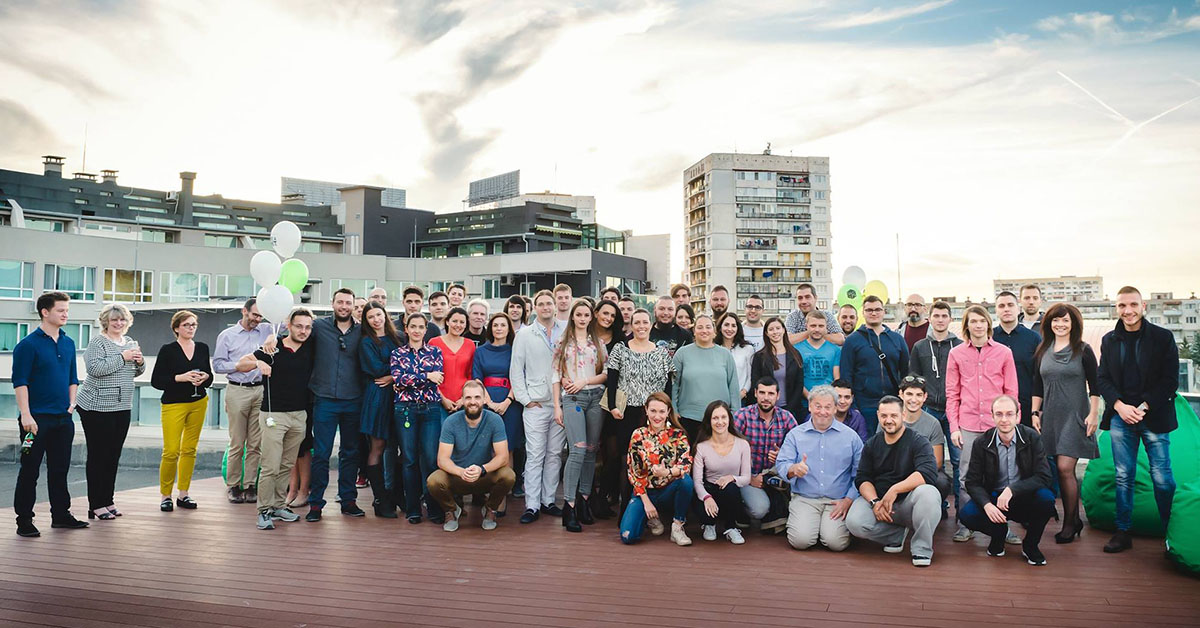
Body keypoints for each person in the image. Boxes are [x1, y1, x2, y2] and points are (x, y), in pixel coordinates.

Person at [1097, 286, 1179, 554]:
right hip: (1122, 416)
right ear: (1116, 308)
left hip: (1153, 416)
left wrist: (1142, 407)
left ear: (1143, 306)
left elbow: (1170, 381)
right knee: (1123, 476)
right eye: (1122, 306)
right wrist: (1120, 406)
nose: (1128, 311)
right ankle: (1123, 531)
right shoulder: (1109, 340)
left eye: (1133, 305)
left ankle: (1172, 535)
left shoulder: (1162, 337)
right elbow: (1103, 379)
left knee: (1162, 477)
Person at [12, 292, 87, 536]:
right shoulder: (27, 345)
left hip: (63, 420)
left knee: (60, 469)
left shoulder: (68, 342)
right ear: (45, 312)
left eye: (67, 310)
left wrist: (72, 403)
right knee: (29, 470)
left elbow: (72, 378)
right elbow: (20, 382)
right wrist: (26, 415)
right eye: (61, 310)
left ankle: (61, 515)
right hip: (34, 422)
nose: (66, 314)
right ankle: (24, 520)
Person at [237, 308, 315, 530]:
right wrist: (257, 363)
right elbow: (240, 364)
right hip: (273, 415)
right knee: (270, 465)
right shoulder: (273, 346)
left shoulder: (311, 346)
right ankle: (263, 510)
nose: (303, 330)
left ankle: (279, 506)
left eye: (308, 327)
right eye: (299, 326)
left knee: (287, 464)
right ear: (288, 325)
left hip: (299, 415)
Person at [946, 304, 1018, 543]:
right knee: (966, 476)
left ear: (989, 324)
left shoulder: (1004, 352)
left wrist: (1011, 424)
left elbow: (1011, 392)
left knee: (1003, 476)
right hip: (967, 424)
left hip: (997, 424)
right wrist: (954, 428)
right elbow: (952, 394)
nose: (978, 325)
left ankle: (1003, 527)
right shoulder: (956, 354)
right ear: (966, 325)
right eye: (973, 321)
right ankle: (966, 524)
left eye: (982, 321)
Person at [1030, 303, 1099, 543]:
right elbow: (1037, 385)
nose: (1060, 324)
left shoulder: (1083, 349)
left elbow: (1096, 385)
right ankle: (1073, 519)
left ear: (1074, 324)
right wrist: (1034, 413)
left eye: (1065, 320)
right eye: (1056, 320)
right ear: (1049, 323)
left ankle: (1071, 521)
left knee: (1064, 468)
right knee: (1056, 469)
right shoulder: (1043, 350)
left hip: (1075, 416)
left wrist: (1093, 414)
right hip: (1050, 417)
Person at [845, 396, 940, 567]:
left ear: (903, 415)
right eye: (884, 416)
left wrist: (895, 489)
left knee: (929, 493)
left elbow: (928, 473)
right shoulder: (872, 444)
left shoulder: (918, 441)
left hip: (908, 504)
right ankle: (895, 535)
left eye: (894, 416)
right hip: (881, 503)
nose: (889, 421)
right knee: (854, 522)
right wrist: (874, 502)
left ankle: (921, 549)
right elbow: (863, 477)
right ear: (878, 415)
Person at [961, 395, 1056, 565]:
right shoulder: (981, 442)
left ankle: (1030, 545)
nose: (1004, 419)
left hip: (1024, 496)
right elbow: (972, 482)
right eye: (999, 414)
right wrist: (987, 505)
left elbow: (1044, 476)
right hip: (996, 499)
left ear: (1018, 416)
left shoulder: (1031, 437)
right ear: (992, 416)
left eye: (1009, 414)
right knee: (967, 514)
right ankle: (999, 533)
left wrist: (1013, 489)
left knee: (1046, 499)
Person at [75, 303, 144, 521]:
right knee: (99, 456)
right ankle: (95, 504)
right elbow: (94, 369)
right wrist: (122, 357)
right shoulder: (98, 342)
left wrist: (140, 362)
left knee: (113, 455)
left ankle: (108, 500)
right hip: (97, 407)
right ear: (106, 321)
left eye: (122, 319)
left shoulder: (130, 342)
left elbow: (135, 372)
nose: (118, 323)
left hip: (122, 405)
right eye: (114, 319)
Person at [603, 309, 675, 514]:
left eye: (645, 322)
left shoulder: (661, 352)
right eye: (637, 323)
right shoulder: (620, 349)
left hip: (653, 415)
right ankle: (627, 506)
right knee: (628, 459)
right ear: (631, 325)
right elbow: (612, 379)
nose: (641, 326)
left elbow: (668, 385)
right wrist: (613, 407)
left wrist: (666, 412)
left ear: (651, 325)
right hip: (626, 412)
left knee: (651, 458)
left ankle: (651, 506)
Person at [776, 385, 863, 551]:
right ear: (809, 406)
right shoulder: (795, 434)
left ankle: (827, 528)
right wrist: (794, 469)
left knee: (835, 543)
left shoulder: (851, 437)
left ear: (835, 408)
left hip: (837, 501)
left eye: (828, 407)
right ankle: (814, 526)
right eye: (818, 406)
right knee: (801, 541)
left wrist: (848, 500)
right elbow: (782, 464)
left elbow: (860, 473)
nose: (822, 411)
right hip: (805, 498)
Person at [305, 288, 365, 521]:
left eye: (348, 303)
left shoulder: (362, 331)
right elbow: (294, 336)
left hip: (353, 399)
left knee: (350, 452)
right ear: (332, 304)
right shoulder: (318, 327)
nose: (344, 306)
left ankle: (348, 500)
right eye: (340, 302)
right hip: (325, 398)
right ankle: (316, 504)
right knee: (321, 453)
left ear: (353, 306)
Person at [428, 380, 516, 532]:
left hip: (484, 475)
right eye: (468, 398)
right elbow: (442, 459)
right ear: (462, 400)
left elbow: (503, 457)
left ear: (483, 400)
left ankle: (490, 510)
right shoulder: (451, 422)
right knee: (434, 481)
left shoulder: (495, 420)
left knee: (508, 475)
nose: (473, 402)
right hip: (458, 476)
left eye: (477, 397)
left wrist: (482, 469)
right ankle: (451, 510)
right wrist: (461, 472)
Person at [550, 300, 608, 532]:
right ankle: (570, 505)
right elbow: (555, 376)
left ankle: (584, 500)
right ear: (573, 316)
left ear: (590, 317)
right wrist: (556, 406)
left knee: (592, 450)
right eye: (579, 314)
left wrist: (585, 380)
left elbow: (605, 374)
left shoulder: (599, 343)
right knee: (578, 449)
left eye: (586, 315)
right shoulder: (562, 343)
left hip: (595, 397)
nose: (583, 318)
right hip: (573, 399)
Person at [512, 290, 567, 523]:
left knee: (554, 454)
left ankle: (548, 500)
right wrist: (525, 400)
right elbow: (516, 370)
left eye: (549, 303)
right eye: (541, 304)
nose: (546, 307)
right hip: (535, 403)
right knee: (535, 454)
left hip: (561, 402)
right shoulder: (524, 334)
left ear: (555, 306)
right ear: (534, 308)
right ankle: (532, 504)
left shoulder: (566, 331)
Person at [212, 297, 273, 504]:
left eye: (260, 316)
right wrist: (238, 366)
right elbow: (218, 366)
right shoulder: (227, 335)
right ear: (244, 311)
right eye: (254, 314)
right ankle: (234, 485)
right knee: (237, 442)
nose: (257, 319)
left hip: (260, 390)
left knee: (256, 442)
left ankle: (250, 485)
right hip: (237, 390)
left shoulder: (266, 330)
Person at [151, 310, 212, 513]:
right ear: (176, 328)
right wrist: (181, 377)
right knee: (170, 451)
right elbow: (157, 381)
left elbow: (210, 377)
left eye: (194, 324)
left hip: (199, 402)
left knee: (190, 450)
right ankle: (165, 495)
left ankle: (184, 493)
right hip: (173, 404)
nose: (191, 328)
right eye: (186, 325)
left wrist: (204, 377)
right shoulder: (168, 350)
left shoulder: (202, 348)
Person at [391, 312, 446, 524]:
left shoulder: (435, 352)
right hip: (405, 409)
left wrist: (413, 380)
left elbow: (438, 378)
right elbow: (398, 378)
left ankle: (433, 507)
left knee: (431, 459)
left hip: (430, 409)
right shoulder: (397, 353)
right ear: (406, 328)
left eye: (420, 327)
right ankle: (413, 508)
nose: (416, 330)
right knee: (409, 460)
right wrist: (425, 376)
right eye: (412, 326)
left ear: (426, 329)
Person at [619, 393, 694, 546]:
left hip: (669, 490)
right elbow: (633, 472)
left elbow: (686, 465)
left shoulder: (678, 435)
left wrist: (667, 472)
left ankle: (677, 526)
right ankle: (652, 518)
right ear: (646, 410)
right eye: (653, 411)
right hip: (645, 492)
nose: (657, 416)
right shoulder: (638, 435)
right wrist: (646, 502)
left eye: (661, 411)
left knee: (685, 481)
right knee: (628, 536)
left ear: (668, 412)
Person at [907, 300, 962, 501]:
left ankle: (961, 510)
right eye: (936, 316)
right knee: (927, 460)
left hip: (953, 410)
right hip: (929, 410)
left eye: (944, 316)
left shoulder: (960, 345)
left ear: (950, 319)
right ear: (930, 319)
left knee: (957, 460)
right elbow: (913, 378)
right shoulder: (920, 346)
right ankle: (936, 505)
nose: (940, 320)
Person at [732, 378, 799, 531]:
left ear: (778, 395)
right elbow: (728, 452)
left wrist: (782, 456)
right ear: (755, 393)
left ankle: (778, 514)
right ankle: (741, 511)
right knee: (759, 509)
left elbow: (800, 450)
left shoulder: (786, 418)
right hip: (748, 475)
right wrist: (749, 478)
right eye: (762, 392)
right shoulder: (742, 416)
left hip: (774, 475)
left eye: (770, 393)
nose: (766, 398)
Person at [473, 313, 522, 512]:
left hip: (510, 402)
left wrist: (507, 401)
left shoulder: (515, 350)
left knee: (507, 447)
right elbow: (476, 378)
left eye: (503, 325)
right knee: (488, 447)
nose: (499, 328)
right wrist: (490, 402)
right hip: (486, 401)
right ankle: (488, 491)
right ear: (490, 328)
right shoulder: (481, 351)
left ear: (509, 328)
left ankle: (502, 494)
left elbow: (519, 376)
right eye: (495, 325)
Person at [839, 295, 908, 434]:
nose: (874, 313)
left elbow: (906, 371)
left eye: (877, 309)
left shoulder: (897, 339)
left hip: (892, 402)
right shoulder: (853, 341)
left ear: (883, 311)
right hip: (865, 404)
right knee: (868, 445)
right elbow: (846, 374)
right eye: (869, 310)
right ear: (863, 313)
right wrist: (854, 405)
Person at [358, 301, 401, 518]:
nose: (376, 319)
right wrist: (400, 370)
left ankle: (396, 493)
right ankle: (380, 498)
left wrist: (395, 376)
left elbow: (408, 362)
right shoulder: (367, 342)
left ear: (385, 315)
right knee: (378, 446)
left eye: (379, 315)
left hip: (399, 395)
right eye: (371, 317)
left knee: (399, 445)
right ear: (366, 321)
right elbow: (375, 369)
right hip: (378, 396)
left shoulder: (398, 337)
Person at [673, 315, 740, 443]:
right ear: (694, 331)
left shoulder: (725, 354)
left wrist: (734, 413)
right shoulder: (682, 353)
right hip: (688, 417)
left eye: (708, 327)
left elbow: (733, 385)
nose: (704, 330)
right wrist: (674, 410)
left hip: (719, 418)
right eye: (700, 327)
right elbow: (674, 384)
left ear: (714, 332)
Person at [693, 401, 751, 544]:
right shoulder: (701, 447)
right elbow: (697, 482)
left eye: (723, 417)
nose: (720, 422)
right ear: (709, 421)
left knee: (731, 489)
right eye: (715, 418)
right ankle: (709, 524)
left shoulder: (742, 444)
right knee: (700, 491)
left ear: (729, 419)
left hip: (730, 493)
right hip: (709, 491)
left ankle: (731, 527)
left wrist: (731, 478)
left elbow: (746, 478)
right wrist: (707, 497)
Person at [897, 376, 952, 499]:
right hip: (896, 470)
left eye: (918, 395)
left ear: (925, 397)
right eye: (909, 394)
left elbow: (937, 462)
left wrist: (914, 477)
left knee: (942, 482)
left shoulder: (933, 423)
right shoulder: (891, 419)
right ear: (901, 394)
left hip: (922, 470)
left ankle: (937, 507)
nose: (913, 399)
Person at [994, 291, 1040, 429]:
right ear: (996, 310)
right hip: (997, 409)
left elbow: (1039, 376)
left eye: (1010, 305)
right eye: (1001, 306)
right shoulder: (989, 338)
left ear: (1018, 308)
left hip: (1027, 408)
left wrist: (1037, 410)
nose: (1006, 309)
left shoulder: (1034, 338)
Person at [750, 317, 805, 419]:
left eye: (778, 328)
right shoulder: (759, 357)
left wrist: (789, 409)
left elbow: (799, 384)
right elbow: (755, 383)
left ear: (784, 330)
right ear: (766, 333)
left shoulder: (795, 355)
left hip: (791, 410)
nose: (775, 332)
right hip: (765, 410)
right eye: (771, 329)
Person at [430, 307, 477, 418]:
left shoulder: (470, 344)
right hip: (439, 399)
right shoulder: (434, 342)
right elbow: (430, 373)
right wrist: (443, 399)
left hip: (463, 401)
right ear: (447, 322)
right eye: (454, 321)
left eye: (462, 322)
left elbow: (470, 374)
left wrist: (465, 398)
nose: (458, 325)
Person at [796, 310, 841, 404]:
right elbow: (796, 379)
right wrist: (810, 398)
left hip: (828, 402)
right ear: (806, 326)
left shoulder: (835, 350)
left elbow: (837, 379)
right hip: (804, 403)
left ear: (826, 327)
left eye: (821, 326)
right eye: (813, 326)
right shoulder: (796, 349)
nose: (817, 329)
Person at [716, 312, 755, 402]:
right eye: (726, 325)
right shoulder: (713, 348)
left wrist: (744, 392)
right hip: (717, 399)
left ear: (738, 328)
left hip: (740, 399)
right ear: (720, 327)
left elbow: (750, 375)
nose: (730, 329)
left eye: (733, 325)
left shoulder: (747, 349)